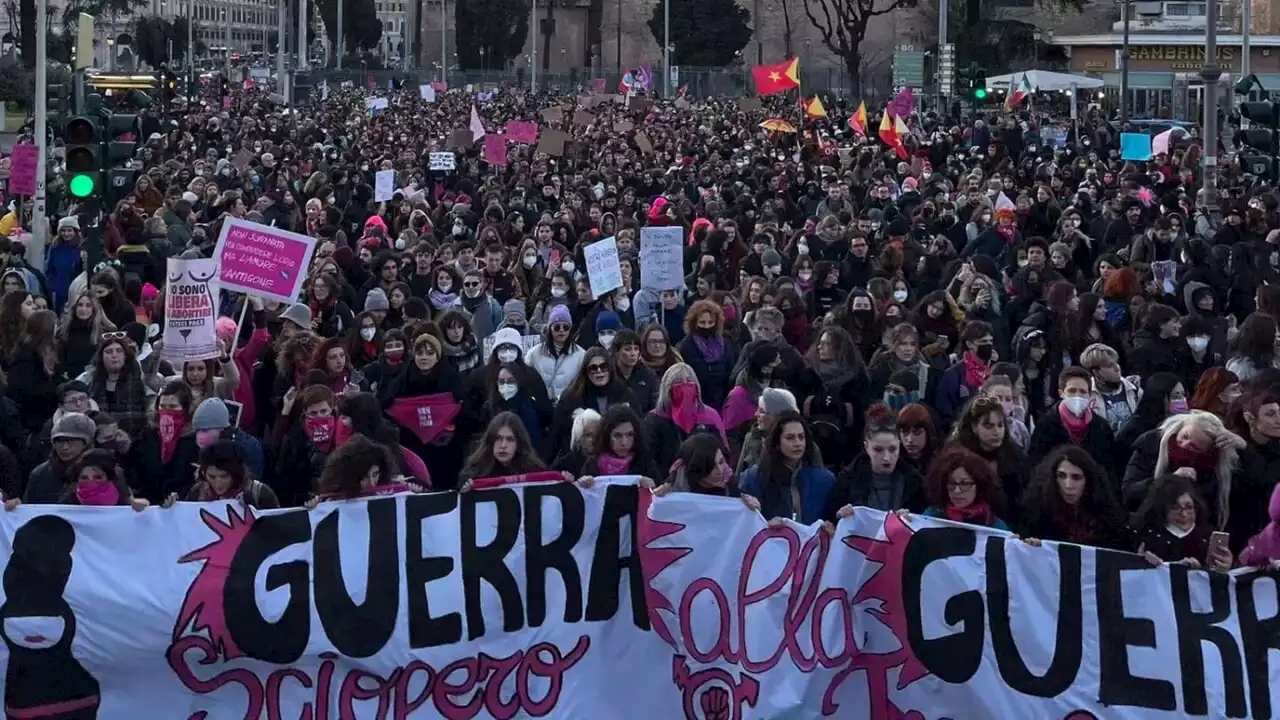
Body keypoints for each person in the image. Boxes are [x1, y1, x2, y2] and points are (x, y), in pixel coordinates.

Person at [1121, 411, 1248, 547]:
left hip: (1193, 540)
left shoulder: (1215, 469)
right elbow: (1128, 493)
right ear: (1181, 427)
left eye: (1195, 447)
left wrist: (1245, 450)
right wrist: (1168, 481)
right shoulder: (1152, 443)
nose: (1184, 445)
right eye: (1185, 436)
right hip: (1146, 532)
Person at [1019, 445, 1128, 550]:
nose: (1068, 485)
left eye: (1076, 478)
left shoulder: (1107, 516)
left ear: (1088, 480)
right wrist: (1030, 545)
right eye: (1061, 476)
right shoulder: (1037, 511)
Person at [825, 404, 923, 519]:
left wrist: (913, 518)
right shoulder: (847, 480)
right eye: (878, 450)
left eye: (892, 449)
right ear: (866, 447)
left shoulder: (915, 482)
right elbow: (830, 519)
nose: (886, 457)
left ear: (899, 445)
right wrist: (839, 516)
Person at [739, 411, 835, 524]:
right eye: (790, 438)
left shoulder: (825, 480)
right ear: (777, 442)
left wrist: (833, 524)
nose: (798, 443)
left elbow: (834, 519)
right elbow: (742, 524)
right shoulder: (753, 478)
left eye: (801, 437)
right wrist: (761, 520)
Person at [1027, 366, 1119, 473]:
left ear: (1089, 395)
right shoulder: (1045, 426)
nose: (1077, 396)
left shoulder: (1101, 427)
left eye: (1082, 391)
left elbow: (1110, 468)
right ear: (1061, 393)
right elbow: (1036, 466)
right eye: (1072, 391)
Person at [644, 363, 729, 476]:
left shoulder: (710, 415)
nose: (685, 386)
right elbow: (648, 459)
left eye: (689, 381)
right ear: (667, 388)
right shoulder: (653, 420)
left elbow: (723, 452)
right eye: (678, 382)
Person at [1131, 474, 1218, 568]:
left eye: (1189, 507)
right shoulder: (1146, 534)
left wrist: (1222, 567)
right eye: (1176, 508)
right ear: (1162, 509)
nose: (1184, 514)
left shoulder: (1208, 538)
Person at [920, 445, 1010, 530]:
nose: (957, 490)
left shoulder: (993, 525)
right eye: (952, 483)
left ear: (979, 485)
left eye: (965, 484)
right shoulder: (932, 516)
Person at [676, 300, 738, 413]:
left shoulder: (726, 344)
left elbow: (731, 371)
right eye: (702, 322)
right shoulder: (686, 346)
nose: (707, 326)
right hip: (698, 401)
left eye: (710, 322)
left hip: (723, 400)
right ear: (694, 322)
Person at [180, 439, 280, 508]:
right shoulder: (197, 491)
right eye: (212, 476)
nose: (218, 483)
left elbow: (275, 528)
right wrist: (171, 507)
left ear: (237, 473)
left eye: (224, 476)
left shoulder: (259, 493)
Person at [23, 412, 95, 503]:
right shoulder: (40, 474)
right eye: (59, 441)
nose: (65, 447)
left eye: (71, 441)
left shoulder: (104, 471)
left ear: (85, 443)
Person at [459, 412, 548, 485]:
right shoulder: (474, 472)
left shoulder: (534, 471)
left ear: (519, 443)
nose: (503, 445)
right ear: (490, 440)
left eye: (510, 439)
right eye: (498, 438)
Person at [525, 304, 585, 402]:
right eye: (557, 327)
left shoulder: (581, 355)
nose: (561, 330)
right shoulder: (534, 353)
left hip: (568, 406)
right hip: (541, 407)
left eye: (565, 327)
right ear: (550, 329)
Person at [581, 405, 661, 479]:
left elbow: (658, 490)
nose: (624, 442)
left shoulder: (646, 464)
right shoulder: (592, 466)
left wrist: (653, 488)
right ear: (606, 436)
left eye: (630, 435)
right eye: (617, 436)